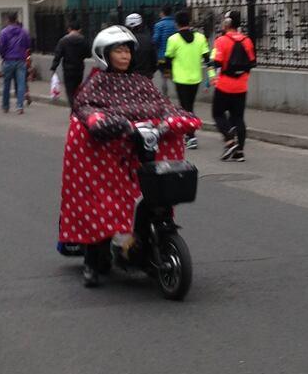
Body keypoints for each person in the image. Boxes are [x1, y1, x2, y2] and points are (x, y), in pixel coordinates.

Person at [58, 25, 201, 287]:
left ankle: (144, 247)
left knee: (156, 193)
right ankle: (92, 260)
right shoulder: (96, 83)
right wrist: (104, 122)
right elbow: (85, 109)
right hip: (108, 154)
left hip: (143, 148)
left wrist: (174, 119)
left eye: (127, 50)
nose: (124, 56)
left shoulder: (141, 82)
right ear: (104, 54)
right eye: (118, 51)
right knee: (101, 203)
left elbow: (163, 105)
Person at [210, 10, 256, 162]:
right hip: (241, 86)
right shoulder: (247, 41)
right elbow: (251, 63)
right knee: (238, 117)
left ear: (227, 23)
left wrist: (214, 78)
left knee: (217, 113)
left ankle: (230, 141)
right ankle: (240, 152)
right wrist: (243, 77)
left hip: (224, 85)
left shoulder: (221, 41)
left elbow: (216, 63)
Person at [164, 10, 210, 150]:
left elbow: (168, 59)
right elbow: (207, 58)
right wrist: (211, 76)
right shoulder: (200, 38)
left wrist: (168, 72)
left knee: (185, 108)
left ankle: (191, 136)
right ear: (189, 22)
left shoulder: (173, 39)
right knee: (189, 106)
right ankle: (190, 135)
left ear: (176, 24)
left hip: (180, 79)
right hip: (195, 78)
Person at [50, 21, 91, 110]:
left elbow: (58, 55)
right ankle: (77, 107)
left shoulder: (63, 41)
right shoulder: (83, 40)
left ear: (69, 29)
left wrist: (53, 67)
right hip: (79, 68)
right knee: (77, 89)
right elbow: (88, 54)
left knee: (70, 91)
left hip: (68, 69)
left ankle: (74, 109)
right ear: (80, 30)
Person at [0, 12, 30, 114]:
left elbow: (1, 47)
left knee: (6, 84)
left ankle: (5, 106)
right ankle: (20, 107)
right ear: (16, 19)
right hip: (21, 60)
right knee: (21, 84)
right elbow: (27, 45)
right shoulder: (23, 32)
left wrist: (4, 57)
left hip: (8, 60)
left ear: (8, 20)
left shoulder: (4, 32)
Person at [152, 4, 176, 95]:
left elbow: (155, 40)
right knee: (173, 75)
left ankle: (165, 96)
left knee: (164, 76)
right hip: (174, 55)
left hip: (162, 56)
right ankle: (180, 91)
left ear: (162, 13)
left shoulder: (159, 25)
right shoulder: (175, 24)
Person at [125, 12, 157, 79]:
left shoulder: (124, 41)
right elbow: (154, 60)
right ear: (141, 25)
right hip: (146, 76)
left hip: (129, 77)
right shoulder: (148, 39)